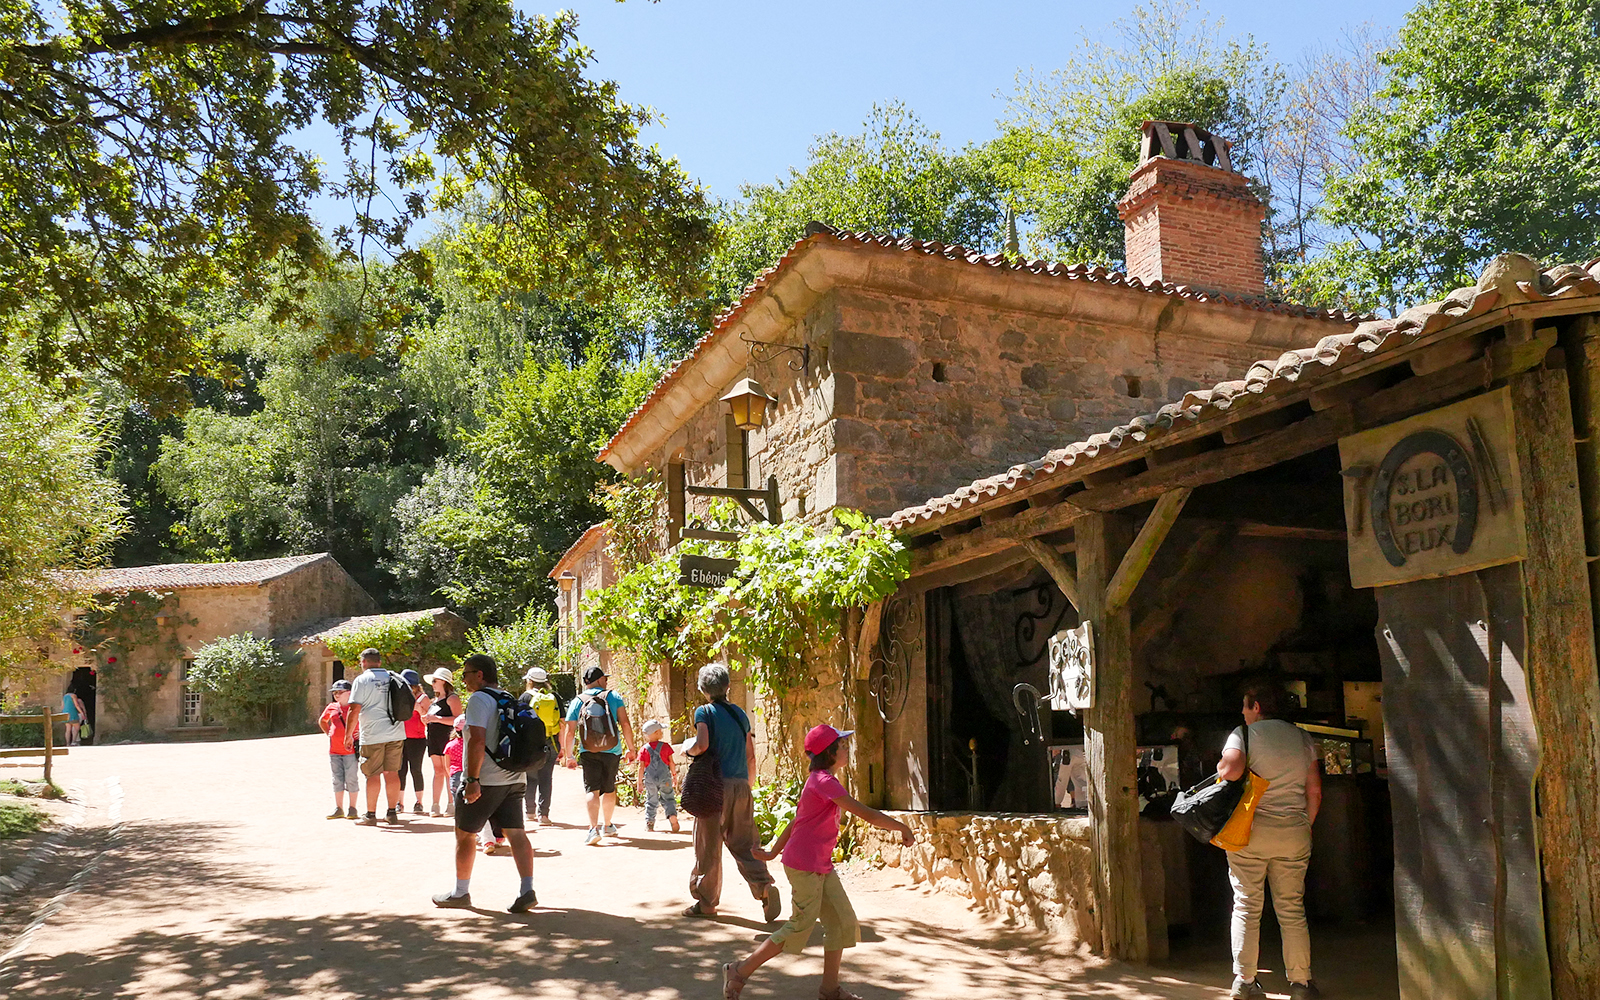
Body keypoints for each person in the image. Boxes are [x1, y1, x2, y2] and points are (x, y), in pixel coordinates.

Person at [720, 725, 915, 1000]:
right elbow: (865, 813)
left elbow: (796, 820)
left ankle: (830, 990)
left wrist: (773, 852)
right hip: (805, 866)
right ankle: (738, 971)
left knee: (841, 922)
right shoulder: (823, 782)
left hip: (819, 864)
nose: (847, 749)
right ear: (830, 753)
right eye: (843, 746)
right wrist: (901, 827)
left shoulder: (821, 780)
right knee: (800, 924)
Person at [1217, 682, 1322, 1000]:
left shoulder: (1243, 735)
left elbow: (1231, 770)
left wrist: (1222, 768)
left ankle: (1245, 982)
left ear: (1257, 706)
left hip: (1250, 835)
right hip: (1292, 833)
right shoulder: (1303, 738)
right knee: (1291, 909)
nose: (1243, 712)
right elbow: (1314, 791)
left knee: (1246, 906)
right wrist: (1305, 825)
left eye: (1246, 706)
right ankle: (1301, 983)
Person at [432, 653, 537, 914]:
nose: (463, 679)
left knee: (465, 835)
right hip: (514, 777)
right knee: (516, 833)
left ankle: (460, 892)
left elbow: (476, 740)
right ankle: (527, 890)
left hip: (487, 779)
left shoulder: (480, 699)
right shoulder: (508, 697)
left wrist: (472, 780)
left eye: (467, 673)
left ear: (480, 675)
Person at [683, 662, 779, 922]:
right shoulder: (740, 715)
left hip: (713, 786)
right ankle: (764, 886)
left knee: (708, 845)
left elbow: (702, 745)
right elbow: (750, 755)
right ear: (727, 686)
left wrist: (687, 749)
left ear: (704, 689)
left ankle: (707, 902)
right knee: (746, 843)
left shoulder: (704, 712)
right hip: (740, 786)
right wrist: (747, 786)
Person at [559, 664, 636, 846]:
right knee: (609, 788)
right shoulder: (614, 696)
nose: (607, 681)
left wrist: (569, 756)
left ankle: (593, 829)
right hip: (612, 750)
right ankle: (608, 826)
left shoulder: (578, 700)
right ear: (600, 680)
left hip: (588, 751)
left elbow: (570, 731)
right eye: (605, 678)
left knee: (591, 789)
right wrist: (631, 748)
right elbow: (625, 724)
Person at [344, 648, 408, 826]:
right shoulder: (393, 677)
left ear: (363, 662)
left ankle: (371, 815)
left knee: (372, 775)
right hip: (396, 732)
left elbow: (354, 709)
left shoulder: (362, 680)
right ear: (379, 662)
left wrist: (348, 735)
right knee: (392, 773)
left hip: (372, 734)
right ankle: (391, 813)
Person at [519, 667, 562, 826]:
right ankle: (544, 815)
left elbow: (519, 722)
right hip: (550, 742)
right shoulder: (553, 697)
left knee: (530, 778)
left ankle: (530, 811)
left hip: (530, 743)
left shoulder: (524, 697)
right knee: (546, 778)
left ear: (530, 681)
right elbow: (562, 723)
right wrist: (562, 747)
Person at [319, 680, 360, 819]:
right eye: (335, 692)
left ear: (349, 692)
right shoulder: (332, 707)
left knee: (351, 779)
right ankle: (339, 808)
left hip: (350, 751)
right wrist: (329, 732)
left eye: (339, 692)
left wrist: (360, 734)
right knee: (337, 779)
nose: (336, 695)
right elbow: (322, 720)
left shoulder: (355, 708)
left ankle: (352, 808)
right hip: (334, 750)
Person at [425, 668, 463, 817]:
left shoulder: (452, 699)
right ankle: (435, 805)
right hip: (433, 738)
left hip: (447, 738)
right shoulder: (434, 701)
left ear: (443, 682)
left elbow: (458, 720)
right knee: (438, 770)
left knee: (449, 770)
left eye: (435, 681)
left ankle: (451, 803)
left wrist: (436, 719)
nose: (433, 684)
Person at [636, 719, 680, 833]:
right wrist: (674, 775)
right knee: (668, 798)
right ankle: (672, 817)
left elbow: (641, 768)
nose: (662, 733)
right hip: (664, 778)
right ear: (656, 733)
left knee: (651, 800)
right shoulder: (666, 747)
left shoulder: (643, 750)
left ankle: (650, 823)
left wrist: (639, 783)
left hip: (650, 780)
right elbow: (671, 763)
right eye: (660, 731)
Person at [396, 668, 430, 815]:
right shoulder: (400, 697)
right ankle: (399, 802)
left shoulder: (423, 698)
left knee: (416, 769)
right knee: (400, 770)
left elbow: (427, 720)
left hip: (417, 739)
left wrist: (418, 709)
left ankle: (419, 802)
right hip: (401, 737)